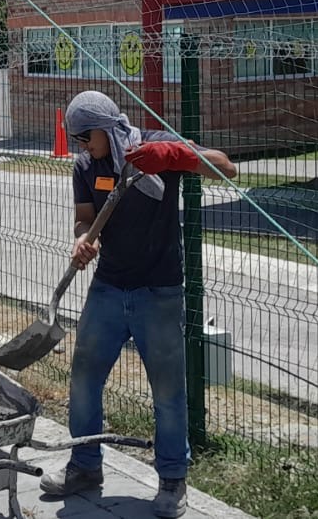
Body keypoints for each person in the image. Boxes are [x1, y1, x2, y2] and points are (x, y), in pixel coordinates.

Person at [39, 91, 236, 519]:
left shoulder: (154, 146)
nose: (81, 146)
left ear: (105, 128)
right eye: (77, 139)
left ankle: (172, 479)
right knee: (84, 380)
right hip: (108, 287)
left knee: (167, 392)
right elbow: (84, 217)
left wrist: (172, 155)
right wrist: (82, 239)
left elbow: (226, 167)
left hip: (159, 292)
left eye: (85, 137)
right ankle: (85, 465)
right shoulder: (86, 167)